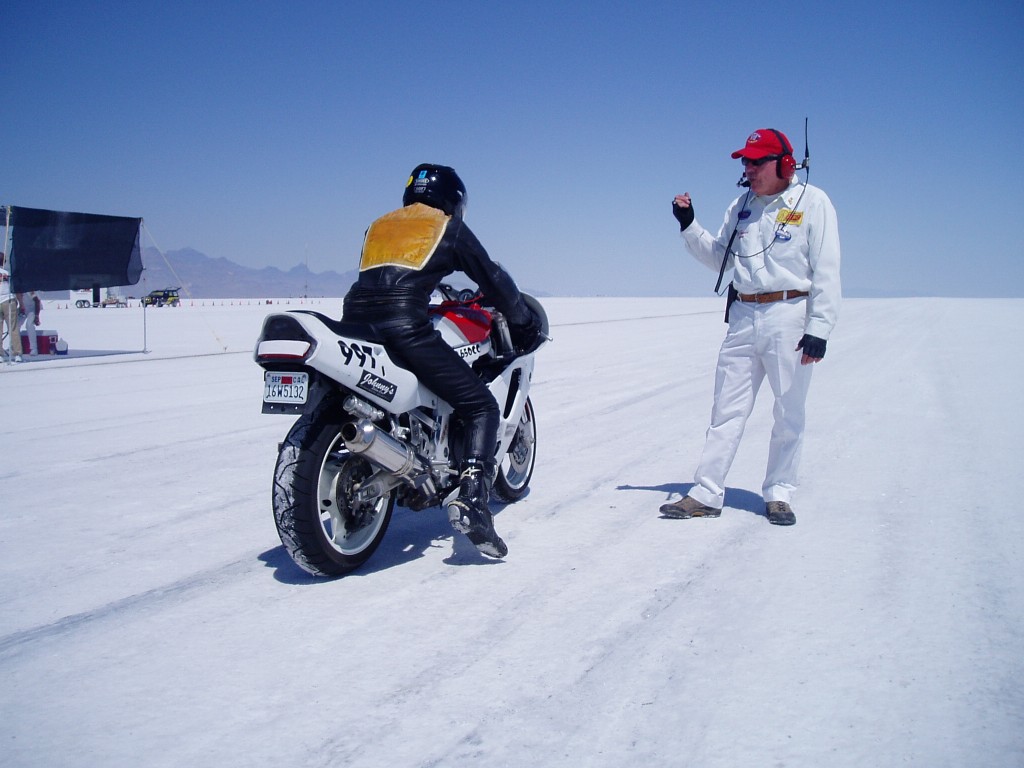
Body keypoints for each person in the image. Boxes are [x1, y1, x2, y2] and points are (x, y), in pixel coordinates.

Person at [342, 163, 541, 558]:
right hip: (403, 329)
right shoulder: (443, 226)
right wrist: (523, 319)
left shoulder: (378, 226)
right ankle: (472, 499)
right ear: (455, 200)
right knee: (480, 405)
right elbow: (492, 279)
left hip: (355, 326)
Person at [662, 128, 841, 526]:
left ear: (785, 163)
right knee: (726, 409)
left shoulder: (813, 202)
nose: (749, 168)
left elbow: (827, 270)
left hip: (790, 316)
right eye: (746, 161)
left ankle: (779, 492)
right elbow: (720, 258)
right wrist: (689, 225)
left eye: (758, 160)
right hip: (743, 316)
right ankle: (706, 492)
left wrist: (820, 328)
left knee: (788, 411)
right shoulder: (740, 206)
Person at [0, 252, 24, 363]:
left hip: (7, 300)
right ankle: (17, 353)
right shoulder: (8, 273)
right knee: (13, 328)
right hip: (8, 301)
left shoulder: (7, 274)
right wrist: (21, 302)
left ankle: (2, 354)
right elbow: (16, 288)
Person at [18, 290, 42, 356]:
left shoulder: (28, 289)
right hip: (22, 309)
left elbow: (37, 301)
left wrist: (37, 316)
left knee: (29, 325)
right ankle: (14, 347)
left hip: (32, 309)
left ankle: (34, 348)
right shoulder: (16, 289)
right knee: (15, 326)